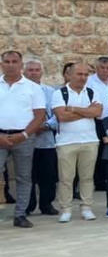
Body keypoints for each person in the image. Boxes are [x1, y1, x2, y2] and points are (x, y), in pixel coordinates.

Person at [0, 50, 46, 228]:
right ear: (2, 64)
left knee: (24, 177)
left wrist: (24, 135)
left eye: (14, 61)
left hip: (24, 137)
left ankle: (20, 214)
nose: (10, 65)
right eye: (7, 61)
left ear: (21, 65)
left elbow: (39, 115)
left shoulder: (33, 88)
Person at [53, 62, 101, 223]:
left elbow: (98, 112)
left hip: (90, 140)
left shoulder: (92, 92)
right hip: (66, 142)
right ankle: (65, 209)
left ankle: (86, 207)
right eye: (79, 74)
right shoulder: (60, 93)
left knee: (87, 177)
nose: (83, 78)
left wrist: (73, 109)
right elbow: (62, 116)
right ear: (70, 75)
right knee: (66, 178)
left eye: (86, 75)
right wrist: (87, 111)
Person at [22, 58, 59, 217]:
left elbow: (57, 114)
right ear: (24, 72)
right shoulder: (20, 90)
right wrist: (28, 129)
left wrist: (44, 126)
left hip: (46, 141)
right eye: (30, 70)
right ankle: (27, 206)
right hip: (24, 141)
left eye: (37, 70)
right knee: (26, 176)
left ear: (42, 72)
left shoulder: (50, 92)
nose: (33, 73)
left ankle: (47, 204)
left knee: (48, 175)